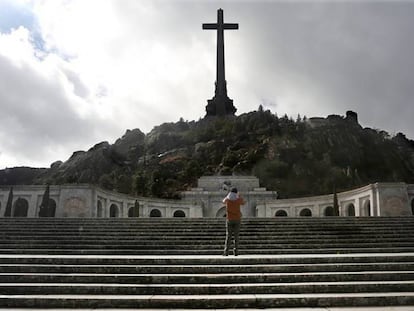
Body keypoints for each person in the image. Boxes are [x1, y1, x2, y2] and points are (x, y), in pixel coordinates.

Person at [222, 187, 245, 256]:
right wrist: (239, 196)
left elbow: (223, 201)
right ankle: (236, 251)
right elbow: (243, 202)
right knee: (236, 236)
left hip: (229, 219)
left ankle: (226, 252)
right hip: (237, 219)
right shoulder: (238, 200)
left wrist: (228, 196)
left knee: (228, 236)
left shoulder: (228, 200)